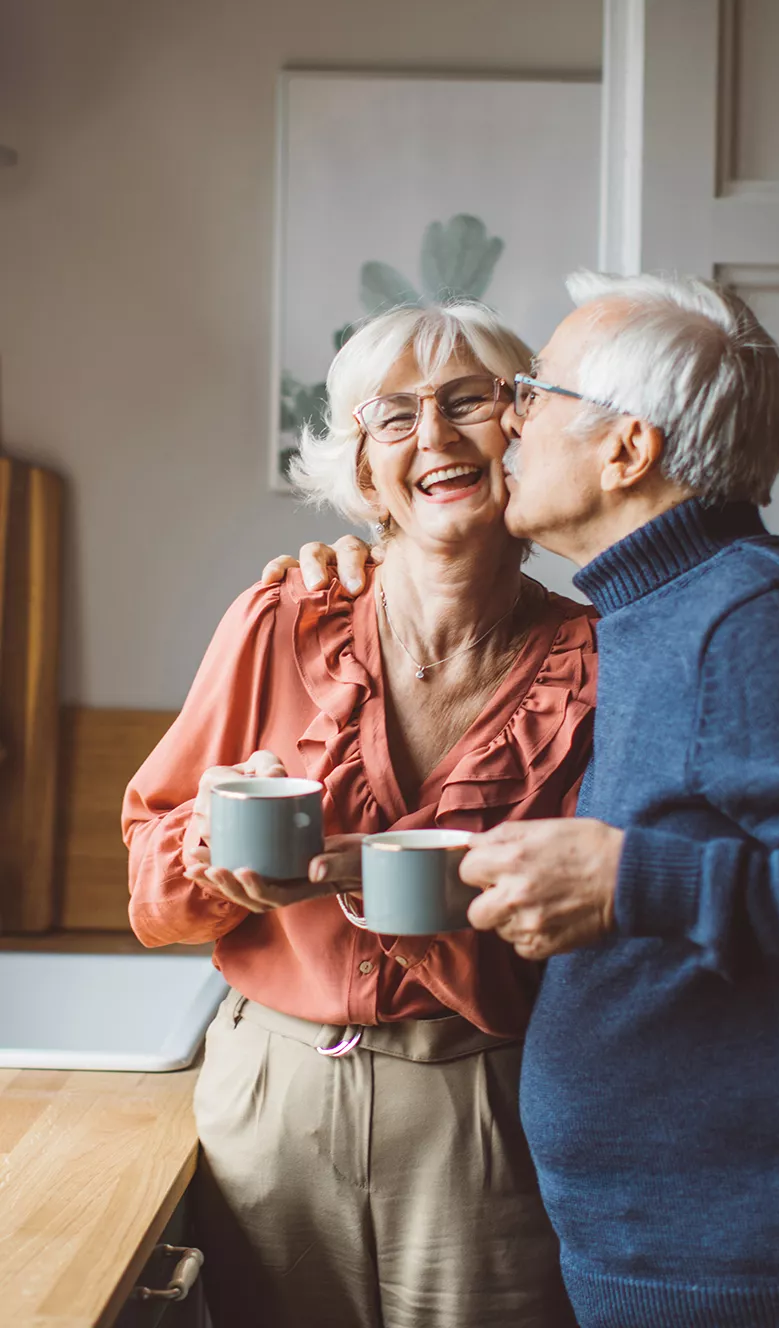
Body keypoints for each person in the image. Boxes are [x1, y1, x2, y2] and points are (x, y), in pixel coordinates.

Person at [285, 271, 779, 1328]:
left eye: (535, 393)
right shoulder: (650, 609)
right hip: (684, 1255)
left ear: (627, 449)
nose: (508, 419)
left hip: (769, 1273)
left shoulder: (750, 616)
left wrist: (627, 878)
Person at [122, 301, 596, 1328]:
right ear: (365, 470)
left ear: (522, 428)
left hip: (485, 1100)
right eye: (394, 416)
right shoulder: (279, 617)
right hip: (272, 1095)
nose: (433, 435)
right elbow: (148, 883)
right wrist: (214, 858)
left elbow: (605, 933)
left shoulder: (600, 666)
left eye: (469, 400)